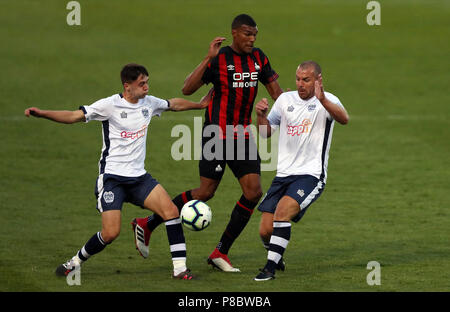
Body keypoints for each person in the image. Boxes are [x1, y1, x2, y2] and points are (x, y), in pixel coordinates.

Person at [24, 63, 212, 280]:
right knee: (110, 233)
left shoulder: (148, 103)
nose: (147, 87)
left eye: (147, 82)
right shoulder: (109, 105)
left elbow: (173, 104)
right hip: (113, 179)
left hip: (139, 178)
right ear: (127, 86)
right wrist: (42, 114)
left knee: (171, 212)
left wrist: (200, 105)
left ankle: (180, 269)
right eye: (142, 83)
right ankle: (74, 262)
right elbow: (74, 116)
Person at [132, 14, 283, 272]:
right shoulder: (220, 59)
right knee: (205, 193)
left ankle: (220, 252)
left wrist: (292, 112)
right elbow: (187, 89)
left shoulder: (260, 58)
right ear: (234, 33)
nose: (252, 39)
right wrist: (207, 58)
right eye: (247, 34)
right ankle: (148, 223)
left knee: (253, 192)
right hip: (216, 135)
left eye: (255, 34)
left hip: (243, 135)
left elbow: (277, 93)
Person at [253, 61, 349, 281]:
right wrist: (260, 116)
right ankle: (277, 255)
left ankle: (269, 269)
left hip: (310, 175)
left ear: (318, 79)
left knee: (282, 214)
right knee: (265, 230)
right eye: (298, 79)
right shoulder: (285, 100)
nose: (300, 84)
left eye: (306, 80)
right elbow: (266, 133)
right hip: (283, 175)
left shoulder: (329, 100)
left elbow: (344, 119)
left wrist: (322, 99)